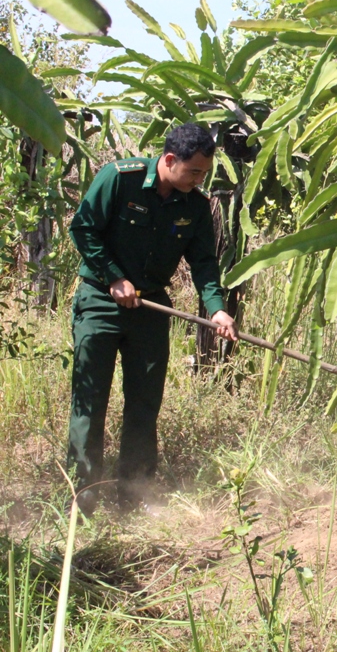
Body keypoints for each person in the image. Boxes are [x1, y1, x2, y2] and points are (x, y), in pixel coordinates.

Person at [68, 123, 238, 516]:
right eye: (194, 171)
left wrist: (216, 308)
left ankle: (134, 493)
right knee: (90, 401)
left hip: (150, 308)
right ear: (168, 160)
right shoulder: (119, 178)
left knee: (145, 403)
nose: (198, 180)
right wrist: (113, 277)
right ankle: (83, 495)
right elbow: (84, 229)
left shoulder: (194, 206)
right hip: (100, 301)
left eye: (204, 174)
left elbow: (204, 263)